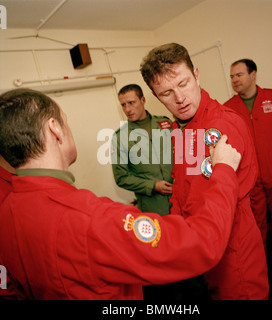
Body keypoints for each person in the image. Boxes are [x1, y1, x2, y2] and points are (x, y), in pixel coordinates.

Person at [0, 88, 241, 300]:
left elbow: (8, 288)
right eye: (66, 121)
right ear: (55, 129)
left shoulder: (7, 211)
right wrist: (224, 170)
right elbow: (202, 244)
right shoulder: (92, 219)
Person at [140, 43, 269, 300]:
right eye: (166, 93)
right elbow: (181, 188)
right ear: (155, 97)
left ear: (197, 75)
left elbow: (213, 201)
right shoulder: (182, 129)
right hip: (203, 246)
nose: (179, 98)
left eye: (184, 83)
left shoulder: (220, 124)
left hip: (232, 248)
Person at [224, 59, 272, 269]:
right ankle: (259, 271)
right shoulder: (228, 108)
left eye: (239, 75)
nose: (234, 80)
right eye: (232, 76)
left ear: (253, 74)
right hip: (249, 181)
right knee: (253, 228)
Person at [112, 84, 173, 216]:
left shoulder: (165, 125)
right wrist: (153, 185)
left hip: (180, 200)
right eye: (123, 105)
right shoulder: (120, 137)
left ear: (143, 100)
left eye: (131, 103)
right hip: (153, 207)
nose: (127, 109)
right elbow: (121, 177)